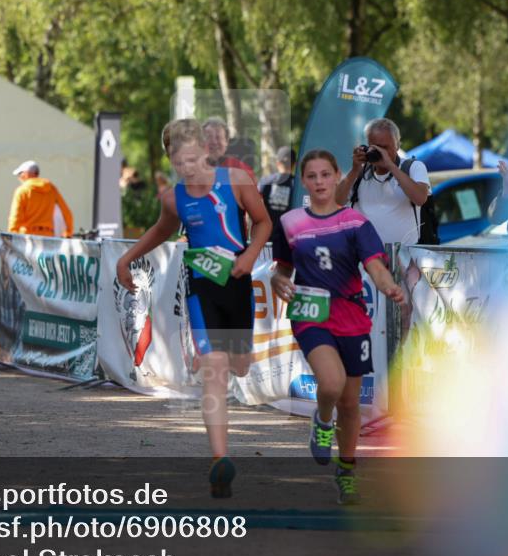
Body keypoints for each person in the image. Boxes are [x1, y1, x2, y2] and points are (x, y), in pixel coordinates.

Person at [116, 118, 272, 498]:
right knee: (215, 370)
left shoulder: (236, 181)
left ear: (205, 151)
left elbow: (264, 222)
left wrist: (250, 255)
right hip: (201, 288)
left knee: (239, 366)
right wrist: (126, 259)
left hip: (237, 284)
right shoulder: (173, 198)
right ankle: (220, 460)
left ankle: (225, 362)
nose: (185, 168)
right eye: (177, 162)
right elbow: (162, 229)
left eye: (190, 159)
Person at [271, 149, 405, 505]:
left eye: (325, 175)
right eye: (312, 176)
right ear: (303, 181)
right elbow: (282, 269)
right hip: (311, 314)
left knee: (350, 403)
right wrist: (277, 279)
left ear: (336, 176)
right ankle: (322, 420)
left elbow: (375, 267)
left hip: (351, 316)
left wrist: (389, 287)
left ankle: (346, 472)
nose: (319, 182)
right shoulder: (290, 223)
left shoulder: (356, 223)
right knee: (330, 383)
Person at [335, 118, 431, 246]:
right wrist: (354, 170)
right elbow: (337, 201)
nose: (381, 152)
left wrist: (390, 166)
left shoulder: (413, 167)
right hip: (364, 254)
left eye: (385, 147)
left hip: (402, 254)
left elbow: (420, 199)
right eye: (376, 147)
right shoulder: (360, 172)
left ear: (397, 145)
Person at [7, 159, 73, 237]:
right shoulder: (51, 189)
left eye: (19, 175)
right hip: (48, 236)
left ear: (25, 174)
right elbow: (66, 212)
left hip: (28, 237)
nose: (19, 178)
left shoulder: (22, 191)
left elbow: (15, 217)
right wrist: (68, 233)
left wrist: (12, 235)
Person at [202, 117, 256, 183]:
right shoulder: (193, 169)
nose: (214, 142)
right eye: (209, 137)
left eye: (218, 137)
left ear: (226, 142)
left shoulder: (241, 169)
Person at [258, 146, 296, 229]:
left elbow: (255, 206)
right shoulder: (298, 185)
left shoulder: (265, 181)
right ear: (294, 164)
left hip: (267, 232)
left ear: (278, 163)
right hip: (290, 233)